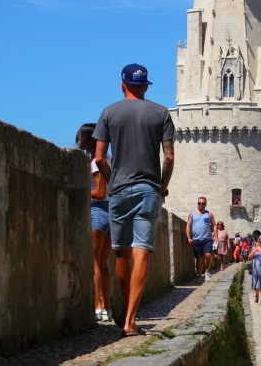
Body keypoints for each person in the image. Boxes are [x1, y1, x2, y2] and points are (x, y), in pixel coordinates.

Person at [92, 63, 175, 337]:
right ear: (145, 86)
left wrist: (113, 179)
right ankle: (130, 320)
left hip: (119, 190)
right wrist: (162, 185)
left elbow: (99, 157)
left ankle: (123, 311)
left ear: (122, 84)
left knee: (121, 252)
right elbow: (170, 156)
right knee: (142, 252)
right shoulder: (161, 113)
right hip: (149, 188)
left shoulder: (109, 113)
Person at [78, 123, 112, 323]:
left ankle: (97, 306)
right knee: (104, 263)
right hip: (110, 211)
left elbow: (99, 192)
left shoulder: (95, 163)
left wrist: (81, 189)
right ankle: (106, 307)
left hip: (98, 211)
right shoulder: (108, 158)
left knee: (95, 262)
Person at [186, 196, 216, 281]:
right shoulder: (192, 214)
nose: (201, 205)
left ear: (205, 204)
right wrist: (188, 237)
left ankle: (207, 272)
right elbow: (188, 225)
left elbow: (214, 225)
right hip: (196, 239)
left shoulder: (209, 214)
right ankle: (199, 275)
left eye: (203, 203)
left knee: (208, 255)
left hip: (207, 239)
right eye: (199, 203)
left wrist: (216, 236)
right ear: (197, 203)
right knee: (198, 259)